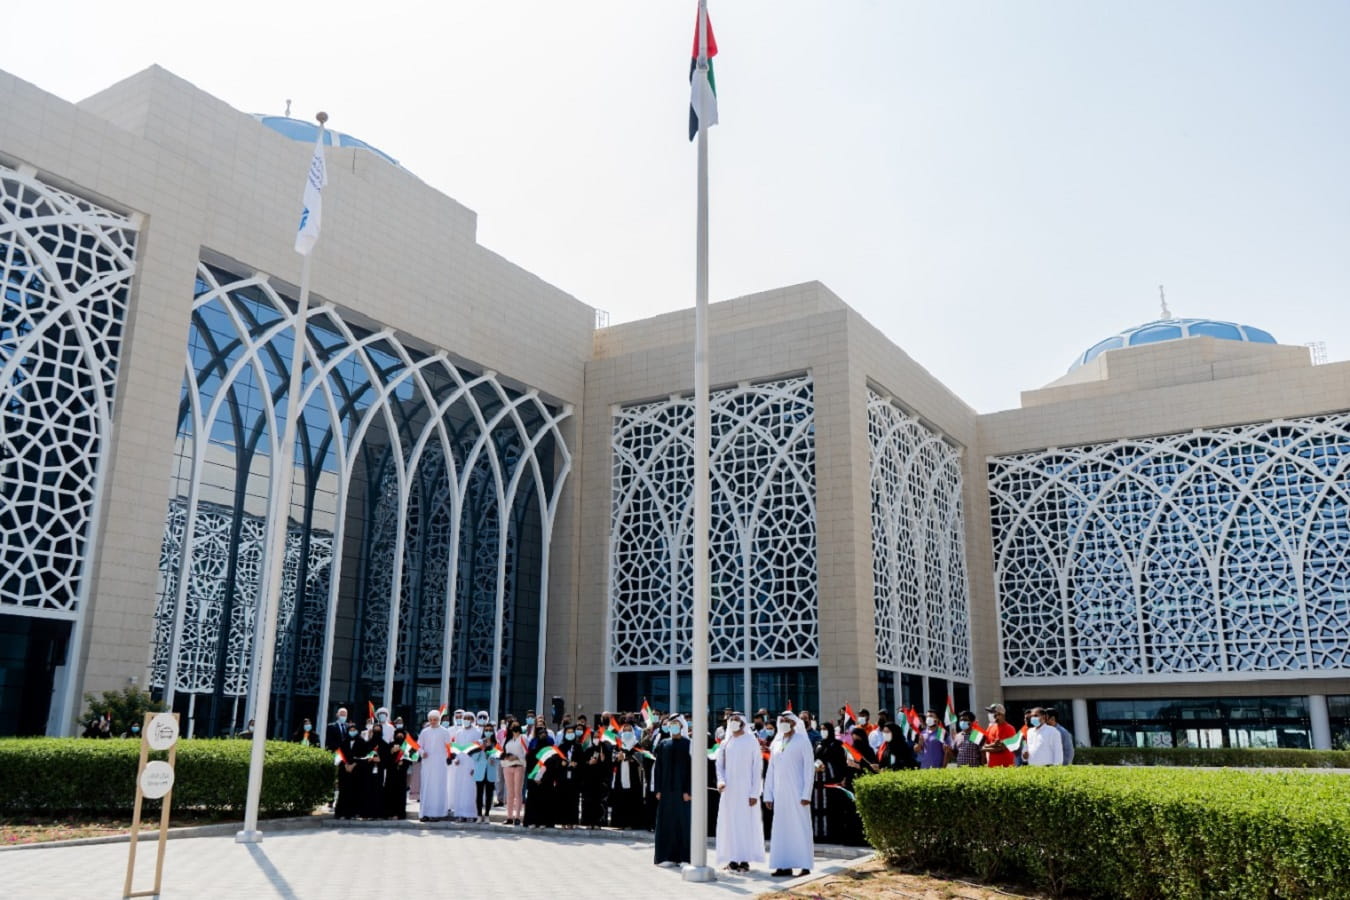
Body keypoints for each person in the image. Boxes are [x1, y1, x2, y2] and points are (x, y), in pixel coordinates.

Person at [764, 711, 814, 877]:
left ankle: (804, 865)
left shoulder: (802, 741)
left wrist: (806, 793)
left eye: (787, 720)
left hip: (798, 793)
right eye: (782, 720)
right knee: (781, 830)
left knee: (799, 828)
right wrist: (768, 795)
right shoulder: (777, 743)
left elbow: (809, 769)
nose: (784, 723)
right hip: (780, 794)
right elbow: (770, 771)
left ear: (794, 723)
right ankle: (783, 865)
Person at [714, 712, 765, 873]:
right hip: (729, 791)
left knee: (744, 824)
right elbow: (719, 765)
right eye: (732, 720)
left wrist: (754, 793)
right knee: (729, 824)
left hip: (746, 791)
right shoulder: (725, 742)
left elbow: (757, 768)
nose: (734, 722)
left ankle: (744, 860)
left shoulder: (751, 741)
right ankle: (732, 859)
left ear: (743, 723)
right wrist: (721, 781)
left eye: (737, 720)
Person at [652, 715, 692, 867]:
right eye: (671, 724)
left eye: (676, 724)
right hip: (666, 791)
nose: (674, 727)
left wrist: (689, 791)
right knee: (666, 823)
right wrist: (657, 789)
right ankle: (665, 857)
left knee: (683, 824)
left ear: (682, 727)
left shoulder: (688, 744)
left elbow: (691, 770)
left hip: (683, 792)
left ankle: (684, 858)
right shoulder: (664, 744)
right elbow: (658, 768)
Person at [609, 722, 647, 829]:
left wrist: (628, 758)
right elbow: (613, 757)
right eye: (624, 730)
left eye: (629, 730)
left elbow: (640, 758)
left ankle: (634, 823)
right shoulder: (618, 744)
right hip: (621, 774)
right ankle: (621, 823)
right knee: (621, 797)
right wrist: (617, 757)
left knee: (633, 798)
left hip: (633, 776)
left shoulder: (636, 744)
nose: (626, 732)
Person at [416, 709, 451, 822]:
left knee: (438, 787)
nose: (433, 721)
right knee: (426, 787)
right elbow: (418, 746)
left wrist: (448, 758)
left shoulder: (445, 732)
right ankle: (424, 813)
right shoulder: (425, 732)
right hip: (427, 763)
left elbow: (449, 748)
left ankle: (437, 813)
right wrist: (422, 753)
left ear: (439, 720)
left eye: (435, 719)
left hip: (440, 764)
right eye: (431, 720)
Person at [449, 711, 481, 821]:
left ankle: (471, 814)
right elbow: (456, 748)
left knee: (470, 789)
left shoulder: (477, 732)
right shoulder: (459, 732)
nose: (466, 720)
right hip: (460, 764)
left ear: (472, 720)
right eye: (465, 718)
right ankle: (460, 814)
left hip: (471, 764)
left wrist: (475, 767)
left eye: (469, 718)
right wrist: (456, 759)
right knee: (459, 789)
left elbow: (478, 750)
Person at [579, 724, 612, 828]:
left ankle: (598, 822)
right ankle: (588, 822)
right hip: (589, 780)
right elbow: (582, 764)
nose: (596, 739)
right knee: (588, 801)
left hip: (600, 781)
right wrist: (589, 763)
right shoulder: (588, 750)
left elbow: (608, 766)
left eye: (598, 737)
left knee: (598, 802)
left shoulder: (604, 750)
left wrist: (603, 760)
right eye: (595, 737)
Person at [334, 717, 363, 820]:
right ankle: (341, 813)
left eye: (354, 730)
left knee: (355, 792)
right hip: (344, 770)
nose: (352, 732)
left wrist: (353, 765)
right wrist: (346, 765)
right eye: (350, 730)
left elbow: (362, 756)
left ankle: (353, 813)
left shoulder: (361, 742)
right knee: (344, 792)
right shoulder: (344, 742)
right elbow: (340, 755)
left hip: (356, 771)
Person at [500, 722, 528, 825]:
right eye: (513, 729)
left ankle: (517, 817)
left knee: (518, 792)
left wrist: (517, 758)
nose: (515, 731)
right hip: (507, 766)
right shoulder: (507, 740)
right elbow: (501, 753)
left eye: (516, 729)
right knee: (510, 792)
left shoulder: (523, 738)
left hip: (519, 766)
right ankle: (509, 816)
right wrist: (508, 757)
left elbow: (526, 753)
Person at [384, 726, 413, 818]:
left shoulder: (406, 746)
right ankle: (389, 812)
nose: (399, 736)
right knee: (390, 792)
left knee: (400, 793)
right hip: (391, 772)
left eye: (401, 735)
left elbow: (410, 759)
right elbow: (386, 759)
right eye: (398, 734)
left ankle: (400, 813)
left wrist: (403, 762)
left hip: (401, 773)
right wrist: (392, 751)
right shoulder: (390, 744)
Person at [472, 730, 500, 822]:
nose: (488, 732)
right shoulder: (479, 743)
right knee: (479, 794)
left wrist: (494, 760)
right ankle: (479, 815)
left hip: (490, 772)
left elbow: (499, 758)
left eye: (490, 730)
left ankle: (487, 814)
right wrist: (481, 748)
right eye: (486, 730)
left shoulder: (496, 744)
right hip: (480, 772)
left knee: (489, 795)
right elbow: (474, 758)